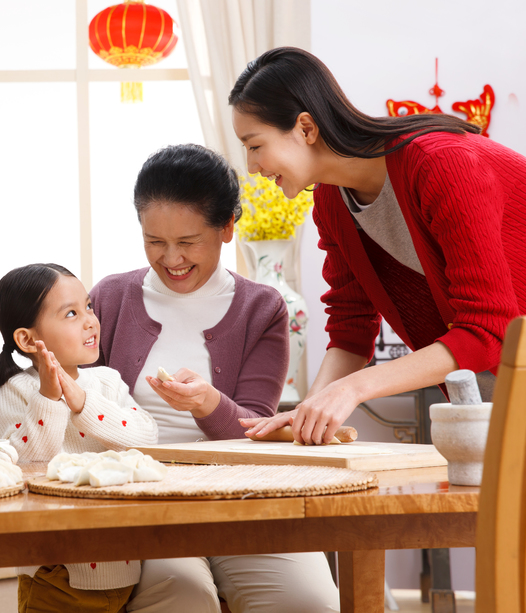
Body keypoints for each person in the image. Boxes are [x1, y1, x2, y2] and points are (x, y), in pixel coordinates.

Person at [229, 47, 526, 446]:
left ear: (305, 128)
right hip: (503, 400)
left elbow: (490, 328)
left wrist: (353, 389)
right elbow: (352, 329)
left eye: (254, 145)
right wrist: (309, 411)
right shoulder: (332, 202)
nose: (251, 166)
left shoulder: (441, 163)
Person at [90, 143, 340, 612]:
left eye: (188, 242)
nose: (171, 259)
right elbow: (79, 407)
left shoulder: (261, 308)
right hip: (139, 497)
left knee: (309, 601)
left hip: (242, 492)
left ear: (227, 228)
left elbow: (258, 430)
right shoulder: (109, 298)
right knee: (182, 594)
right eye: (154, 241)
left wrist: (208, 404)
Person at [0, 263, 159, 613]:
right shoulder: (17, 390)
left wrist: (83, 403)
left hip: (126, 566)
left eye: (88, 306)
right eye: (71, 313)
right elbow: (26, 463)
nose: (90, 320)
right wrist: (49, 397)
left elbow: (146, 436)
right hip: (58, 574)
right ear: (27, 339)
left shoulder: (106, 381)